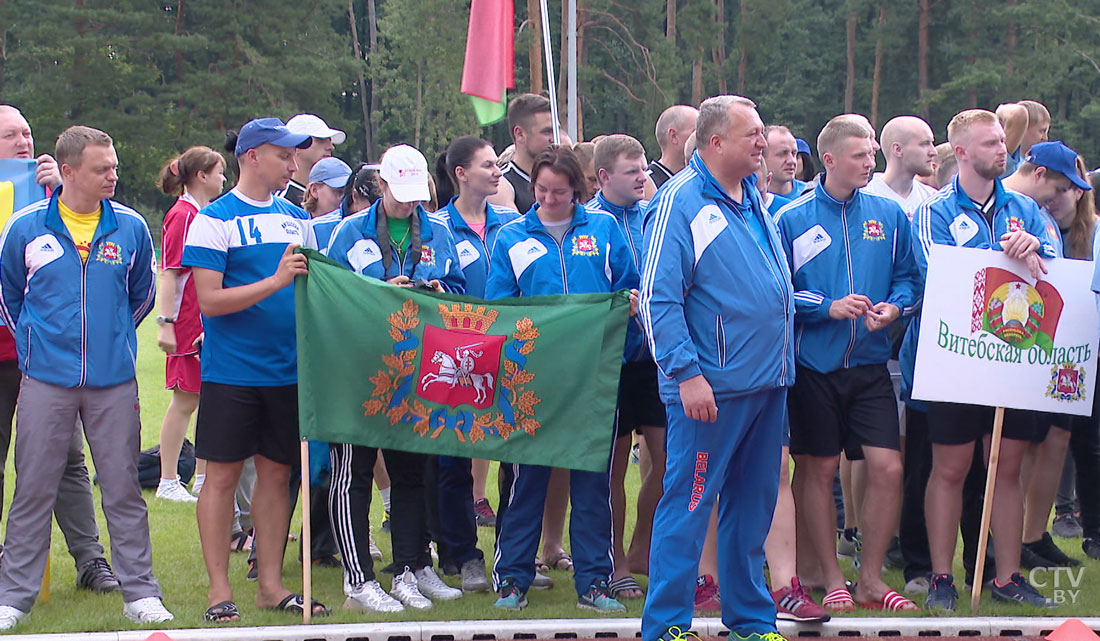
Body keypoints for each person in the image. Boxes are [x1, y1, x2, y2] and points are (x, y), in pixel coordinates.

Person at [0, 125, 170, 628]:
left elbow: (141, 296)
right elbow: (10, 298)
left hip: (113, 382)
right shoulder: (26, 228)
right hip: (45, 380)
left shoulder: (132, 227)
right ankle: (13, 597)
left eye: (114, 166)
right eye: (102, 169)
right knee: (32, 487)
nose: (113, 176)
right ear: (68, 171)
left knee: (121, 487)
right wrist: (38, 346)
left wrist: (112, 338)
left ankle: (140, 593)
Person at [640, 95, 792, 641]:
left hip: (767, 383)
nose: (763, 140)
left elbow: (771, 288)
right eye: (752, 132)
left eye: (763, 131)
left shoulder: (753, 197)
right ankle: (667, 626)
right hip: (712, 388)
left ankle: (751, 621)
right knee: (688, 503)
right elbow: (659, 299)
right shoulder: (680, 202)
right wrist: (686, 374)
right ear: (714, 141)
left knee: (752, 508)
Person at [908, 108, 1057, 611]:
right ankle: (941, 577)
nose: (1003, 150)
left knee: (1008, 466)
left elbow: (1056, 266)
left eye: (1003, 142)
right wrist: (1006, 257)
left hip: (1014, 359)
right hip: (957, 358)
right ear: (964, 152)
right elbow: (939, 273)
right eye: (991, 143)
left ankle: (1007, 575)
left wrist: (1035, 247)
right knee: (951, 466)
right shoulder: (934, 211)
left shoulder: (1026, 209)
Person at [183, 117, 329, 623]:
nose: (292, 164)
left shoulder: (297, 219)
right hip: (232, 373)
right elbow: (209, 300)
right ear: (251, 157)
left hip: (288, 373)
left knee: (277, 475)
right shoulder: (214, 218)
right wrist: (272, 282)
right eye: (282, 154)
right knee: (221, 478)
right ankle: (218, 590)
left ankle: (270, 585)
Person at [774, 116, 921, 613]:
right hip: (814, 368)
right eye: (861, 155)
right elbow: (777, 290)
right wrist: (826, 306)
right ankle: (831, 577)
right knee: (816, 470)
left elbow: (909, 278)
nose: (870, 162)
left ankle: (872, 579)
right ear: (831, 159)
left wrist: (896, 307)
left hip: (872, 364)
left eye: (873, 153)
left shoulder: (889, 214)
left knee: (887, 467)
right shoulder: (790, 218)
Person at [487, 145, 638, 613]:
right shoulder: (511, 238)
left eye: (559, 191)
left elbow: (629, 288)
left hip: (593, 381)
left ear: (579, 189)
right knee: (524, 482)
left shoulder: (606, 228)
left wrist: (626, 308)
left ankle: (594, 582)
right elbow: (497, 307)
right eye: (541, 190)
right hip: (530, 383)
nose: (548, 199)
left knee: (592, 482)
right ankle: (512, 578)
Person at [325, 143, 466, 611]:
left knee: (412, 473)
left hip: (418, 371)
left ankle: (409, 567)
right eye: (398, 193)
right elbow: (330, 294)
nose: (408, 204)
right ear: (380, 186)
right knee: (354, 472)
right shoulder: (349, 232)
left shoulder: (439, 232)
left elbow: (464, 294)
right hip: (360, 369)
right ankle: (358, 579)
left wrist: (440, 292)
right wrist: (378, 293)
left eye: (415, 194)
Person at [0, 106, 121, 595]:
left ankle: (90, 561)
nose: (24, 143)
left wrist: (55, 190)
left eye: (28, 132)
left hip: (47, 358)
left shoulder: (53, 193)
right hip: (12, 350)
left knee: (67, 458)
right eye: (11, 136)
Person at [431, 135, 519, 593]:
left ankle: (512, 552)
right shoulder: (435, 226)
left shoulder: (513, 224)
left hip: (509, 356)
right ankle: (463, 555)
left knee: (514, 457)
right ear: (460, 173)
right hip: (457, 360)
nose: (497, 169)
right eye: (487, 164)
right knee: (454, 462)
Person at [1002, 142, 1093, 569]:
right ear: (1039, 174)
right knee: (1020, 443)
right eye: (1059, 186)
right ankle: (1011, 537)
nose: (1063, 196)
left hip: (1063, 346)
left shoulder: (1054, 221)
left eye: (1069, 190)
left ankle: (1034, 536)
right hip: (1020, 342)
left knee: (1056, 437)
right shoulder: (1012, 206)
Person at [586, 134, 660, 602]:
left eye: (643, 169)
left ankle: (642, 548)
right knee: (610, 470)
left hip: (655, 360)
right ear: (603, 176)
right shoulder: (588, 224)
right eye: (631, 171)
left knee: (674, 463)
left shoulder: (655, 216)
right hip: (607, 362)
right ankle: (614, 561)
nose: (642, 177)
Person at [154, 146, 227, 503]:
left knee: (207, 399)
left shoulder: (202, 214)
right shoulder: (182, 216)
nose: (224, 179)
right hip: (186, 323)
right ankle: (168, 479)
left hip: (204, 322)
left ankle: (201, 475)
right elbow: (170, 273)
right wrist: (165, 323)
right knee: (184, 401)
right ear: (201, 176)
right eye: (219, 173)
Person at [489, 94, 555, 214]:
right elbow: (515, 231)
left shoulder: (563, 179)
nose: (554, 138)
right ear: (520, 134)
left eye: (556, 130)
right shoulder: (502, 185)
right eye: (547, 132)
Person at [864, 116, 938, 218]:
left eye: (932, 143)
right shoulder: (865, 200)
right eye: (924, 144)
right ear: (898, 149)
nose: (933, 152)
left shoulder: (933, 199)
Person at [277, 113, 346, 206]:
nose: (331, 147)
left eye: (330, 140)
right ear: (296, 146)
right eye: (320, 139)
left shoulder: (334, 197)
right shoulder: (282, 202)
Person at [648, 105, 699, 190]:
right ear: (673, 136)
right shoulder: (646, 183)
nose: (702, 137)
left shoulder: (700, 181)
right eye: (695, 132)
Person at [996, 100, 1050, 178]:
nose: (1045, 138)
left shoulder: (1030, 162)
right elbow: (1018, 113)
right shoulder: (1005, 155)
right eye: (1042, 131)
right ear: (1024, 127)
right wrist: (999, 110)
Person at [764, 125, 806, 198]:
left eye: (794, 153)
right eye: (783, 153)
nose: (791, 161)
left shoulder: (809, 196)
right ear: (762, 158)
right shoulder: (750, 199)